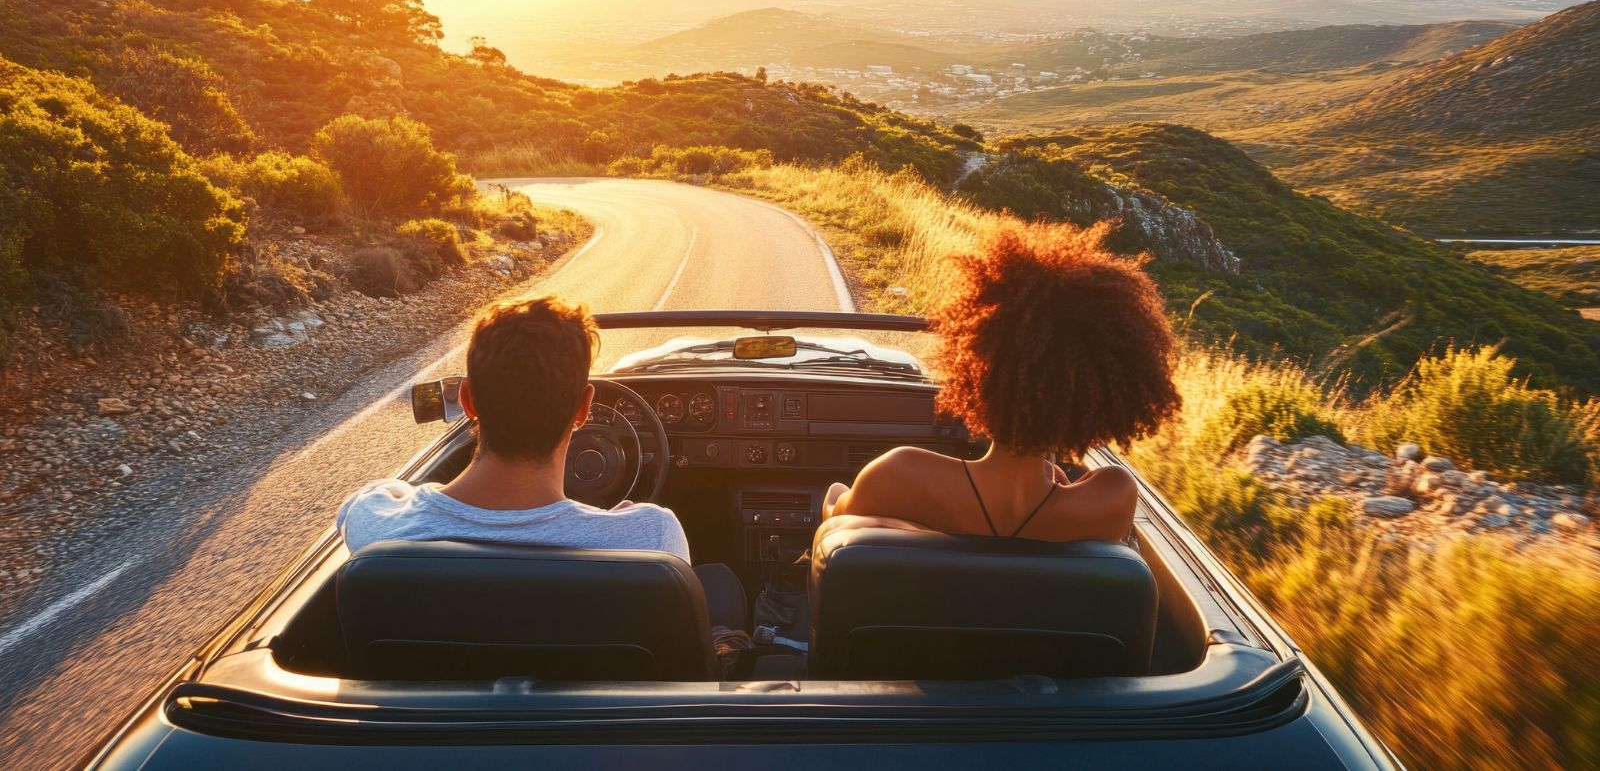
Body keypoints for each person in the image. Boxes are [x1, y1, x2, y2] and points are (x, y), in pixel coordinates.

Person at [337, 295, 744, 630]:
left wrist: (413, 496)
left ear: (467, 401)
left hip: (432, 728)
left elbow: (370, 494)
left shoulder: (378, 525)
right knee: (719, 584)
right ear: (584, 407)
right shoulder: (652, 537)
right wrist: (614, 516)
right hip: (591, 728)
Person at [823, 220, 1181, 543]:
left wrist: (836, 496)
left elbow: (835, 523)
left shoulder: (899, 473)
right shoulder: (1111, 496)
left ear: (977, 371)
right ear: (1101, 398)